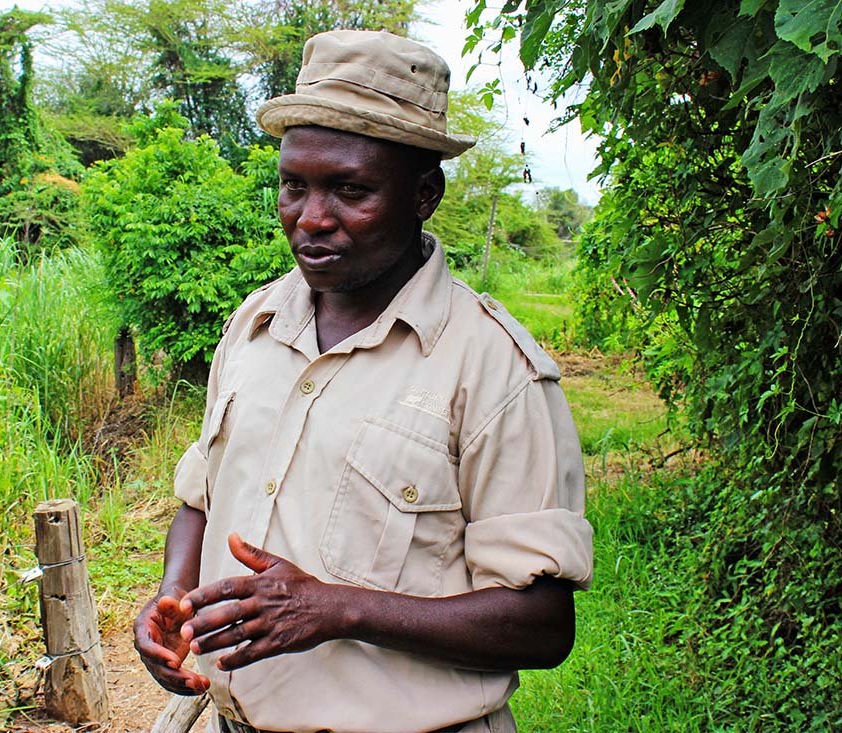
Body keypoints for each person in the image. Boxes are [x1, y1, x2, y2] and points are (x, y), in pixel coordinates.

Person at [134, 29, 593, 733]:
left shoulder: (494, 368)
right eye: (294, 185)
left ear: (424, 194)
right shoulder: (254, 325)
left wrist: (340, 609)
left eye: (351, 190)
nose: (312, 218)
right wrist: (173, 594)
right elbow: (200, 499)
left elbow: (542, 625)